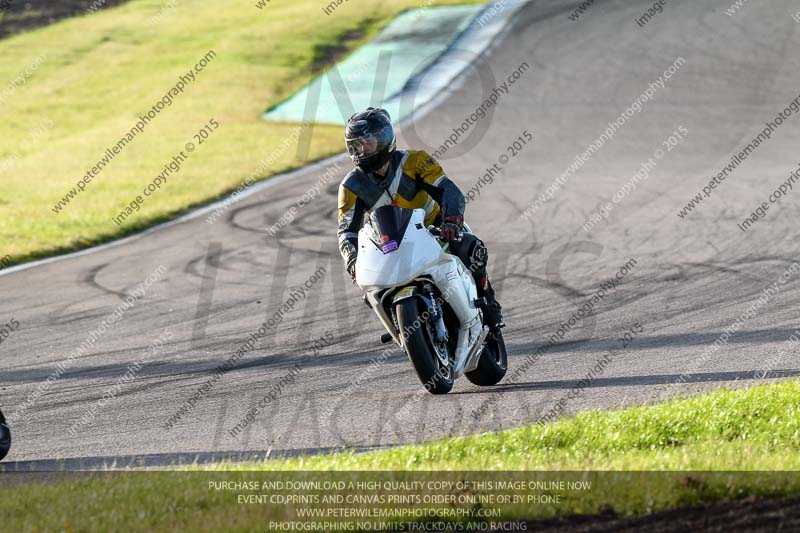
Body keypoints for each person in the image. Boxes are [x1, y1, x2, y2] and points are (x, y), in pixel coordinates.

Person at [337, 107, 503, 330]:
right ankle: (400, 326)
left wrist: (451, 221)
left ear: (384, 139)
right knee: (371, 292)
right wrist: (352, 260)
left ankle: (487, 302)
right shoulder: (351, 186)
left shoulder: (415, 161)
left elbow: (448, 190)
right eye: (356, 144)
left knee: (472, 250)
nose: (362, 150)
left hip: (435, 230)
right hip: (390, 246)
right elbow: (347, 231)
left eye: (368, 142)